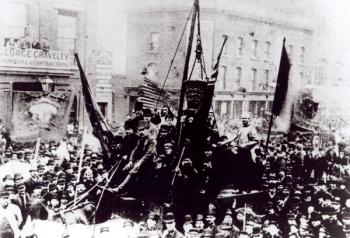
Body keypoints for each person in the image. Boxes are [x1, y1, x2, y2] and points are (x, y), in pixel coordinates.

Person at [112, 120, 157, 195]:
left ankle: (120, 189)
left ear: (147, 130)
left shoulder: (152, 140)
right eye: (139, 130)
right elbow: (134, 150)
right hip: (143, 161)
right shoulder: (141, 139)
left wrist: (139, 162)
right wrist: (130, 161)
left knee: (133, 171)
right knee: (127, 168)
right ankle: (126, 191)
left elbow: (149, 153)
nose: (141, 132)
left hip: (150, 162)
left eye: (143, 130)